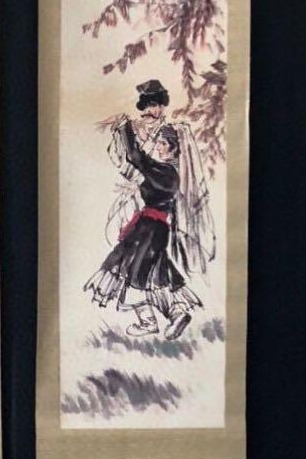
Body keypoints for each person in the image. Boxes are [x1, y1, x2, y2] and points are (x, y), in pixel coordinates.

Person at [84, 80, 214, 340]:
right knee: (156, 272)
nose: (160, 148)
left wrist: (124, 128)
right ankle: (176, 313)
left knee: (133, 271)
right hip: (149, 227)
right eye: (161, 144)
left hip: (150, 229)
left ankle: (151, 321)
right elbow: (137, 166)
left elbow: (136, 157)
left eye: (165, 145)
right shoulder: (167, 172)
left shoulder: (164, 172)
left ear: (173, 150)